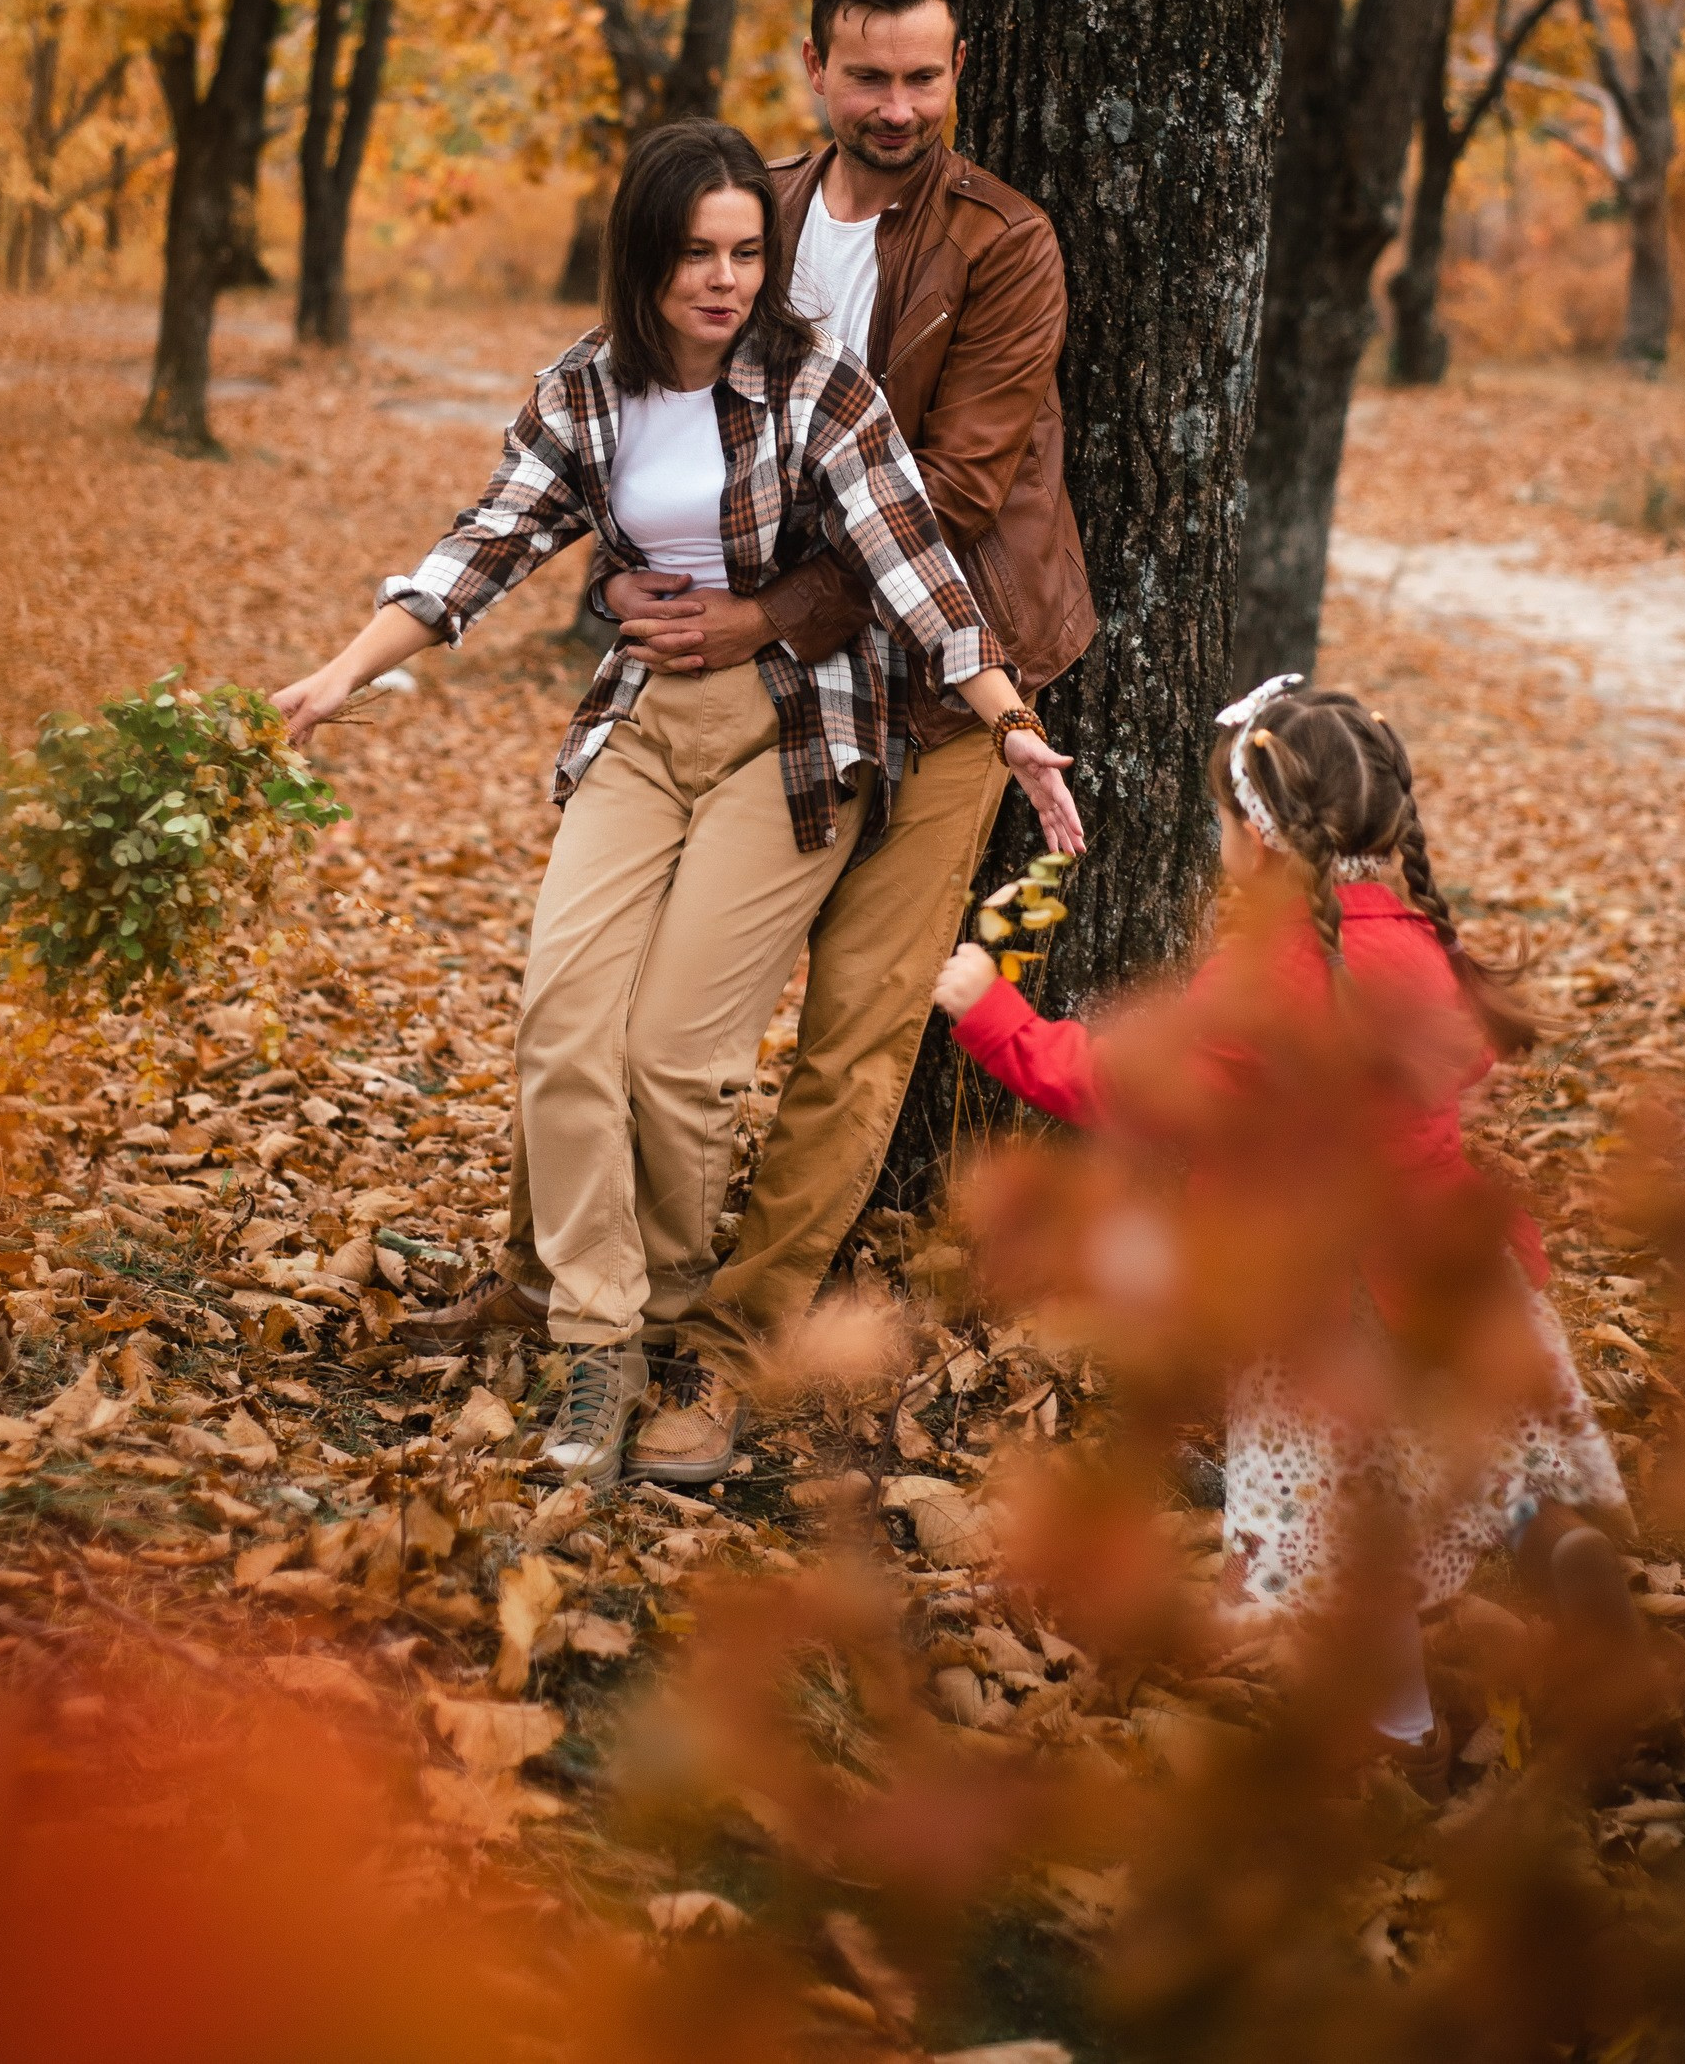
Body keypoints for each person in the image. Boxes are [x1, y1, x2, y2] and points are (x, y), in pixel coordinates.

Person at [276, 118, 1082, 1490]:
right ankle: (599, 1341)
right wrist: (346, 670)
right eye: (696, 254)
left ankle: (659, 1320)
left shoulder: (821, 390)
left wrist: (1009, 723)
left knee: (676, 1062)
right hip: (645, 729)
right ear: (644, 262)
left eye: (745, 253)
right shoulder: (585, 392)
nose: (722, 279)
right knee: (562, 1018)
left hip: (795, 737)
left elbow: (915, 572)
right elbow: (488, 542)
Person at [934, 676, 1634, 1780]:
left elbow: (1118, 1086)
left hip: (1321, 1303)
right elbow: (1474, 1054)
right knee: (1473, 1452)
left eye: (1222, 824)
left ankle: (1391, 1736)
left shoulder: (1257, 981)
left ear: (1256, 843)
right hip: (1455, 1267)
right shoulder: (1421, 947)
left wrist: (990, 1012)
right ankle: (1551, 1540)